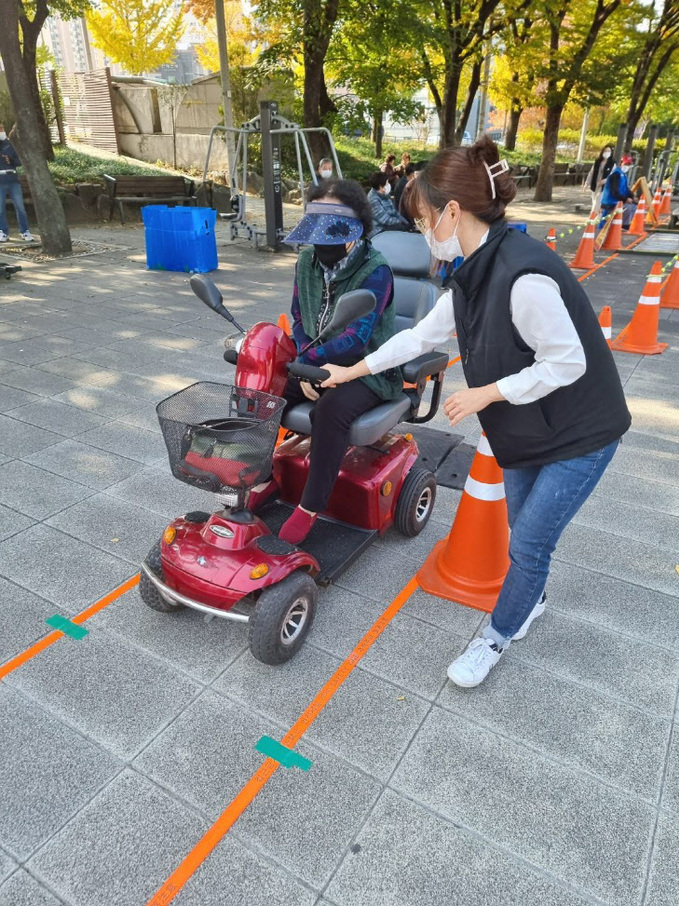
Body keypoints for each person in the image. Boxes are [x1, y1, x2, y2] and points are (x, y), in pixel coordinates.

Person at [320, 136, 631, 688]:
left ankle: (496, 635)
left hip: (582, 431)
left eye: (423, 220)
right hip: (527, 425)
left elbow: (568, 363)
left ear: (452, 212)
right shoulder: (470, 270)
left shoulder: (523, 275)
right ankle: (530, 596)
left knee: (530, 542)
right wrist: (350, 371)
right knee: (522, 530)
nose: (422, 233)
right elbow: (418, 337)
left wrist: (486, 393)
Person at [278, 178, 403, 544]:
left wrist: (310, 368)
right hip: (313, 363)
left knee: (330, 410)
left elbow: (356, 339)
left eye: (330, 231)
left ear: (354, 231)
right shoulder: (306, 261)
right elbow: (298, 317)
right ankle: (263, 478)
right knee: (263, 385)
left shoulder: (375, 270)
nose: (320, 241)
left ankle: (310, 507)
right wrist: (304, 365)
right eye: (314, 230)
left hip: (367, 368)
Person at [0, 123, 35, 243]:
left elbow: (18, 161)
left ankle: (25, 231)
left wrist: (11, 160)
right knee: (0, 209)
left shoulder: (9, 144)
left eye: (2, 128)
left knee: (20, 207)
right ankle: (3, 232)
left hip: (13, 179)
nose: (1, 131)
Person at [367, 171, 412, 237]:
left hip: (389, 225)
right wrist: (400, 223)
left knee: (408, 226)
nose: (388, 185)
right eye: (387, 183)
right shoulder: (373, 199)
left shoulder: (385, 195)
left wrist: (406, 223)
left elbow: (395, 212)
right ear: (380, 186)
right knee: (403, 230)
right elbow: (385, 219)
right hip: (378, 230)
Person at [601, 153, 638, 229]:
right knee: (628, 208)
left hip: (618, 200)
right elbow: (614, 191)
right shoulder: (616, 174)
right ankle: (622, 226)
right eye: (626, 164)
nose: (627, 166)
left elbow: (625, 188)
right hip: (611, 201)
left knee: (634, 207)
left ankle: (625, 225)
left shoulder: (623, 174)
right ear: (621, 163)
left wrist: (632, 196)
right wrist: (625, 199)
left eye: (628, 165)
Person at [586, 145, 615, 211]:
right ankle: (594, 216)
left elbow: (613, 175)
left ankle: (593, 217)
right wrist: (587, 183)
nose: (607, 152)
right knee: (594, 201)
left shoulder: (612, 164)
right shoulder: (597, 162)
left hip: (604, 186)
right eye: (605, 151)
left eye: (609, 151)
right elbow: (591, 172)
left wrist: (606, 180)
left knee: (597, 202)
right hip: (595, 184)